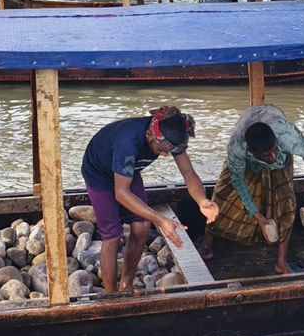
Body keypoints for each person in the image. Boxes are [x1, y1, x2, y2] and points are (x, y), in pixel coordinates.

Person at [80, 107, 219, 293]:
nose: (164, 155)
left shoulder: (171, 133)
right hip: (99, 173)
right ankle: (110, 295)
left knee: (143, 225)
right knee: (112, 235)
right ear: (148, 135)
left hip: (130, 171)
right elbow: (121, 193)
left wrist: (202, 201)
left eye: (168, 151)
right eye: (161, 150)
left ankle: (126, 284)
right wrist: (161, 220)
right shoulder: (127, 143)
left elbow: (188, 172)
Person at [200, 105, 304, 275]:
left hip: (282, 159)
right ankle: (206, 248)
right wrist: (259, 218)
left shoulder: (288, 137)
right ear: (250, 151)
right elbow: (239, 182)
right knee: (221, 198)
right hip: (247, 162)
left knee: (286, 204)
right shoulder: (237, 148)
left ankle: (281, 263)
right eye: (266, 155)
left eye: (273, 151)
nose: (271, 158)